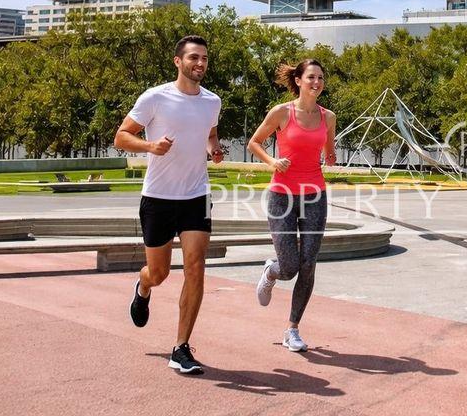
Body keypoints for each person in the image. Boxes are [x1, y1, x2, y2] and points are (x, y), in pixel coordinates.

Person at [114, 35, 223, 374]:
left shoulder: (212, 101)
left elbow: (210, 134)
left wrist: (214, 149)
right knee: (159, 273)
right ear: (178, 61)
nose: (200, 63)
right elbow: (121, 136)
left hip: (196, 195)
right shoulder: (155, 97)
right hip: (158, 198)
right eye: (193, 57)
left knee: (195, 266)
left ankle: (181, 347)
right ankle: (143, 285)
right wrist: (150, 146)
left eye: (204, 58)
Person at [247, 58, 337, 352]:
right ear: (298, 81)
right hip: (282, 195)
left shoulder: (328, 117)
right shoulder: (282, 112)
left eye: (320, 78)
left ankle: (292, 329)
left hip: (315, 196)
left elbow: (329, 151)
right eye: (311, 77)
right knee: (289, 267)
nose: (317, 82)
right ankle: (271, 271)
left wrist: (330, 158)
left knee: (308, 264)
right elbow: (254, 142)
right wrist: (272, 161)